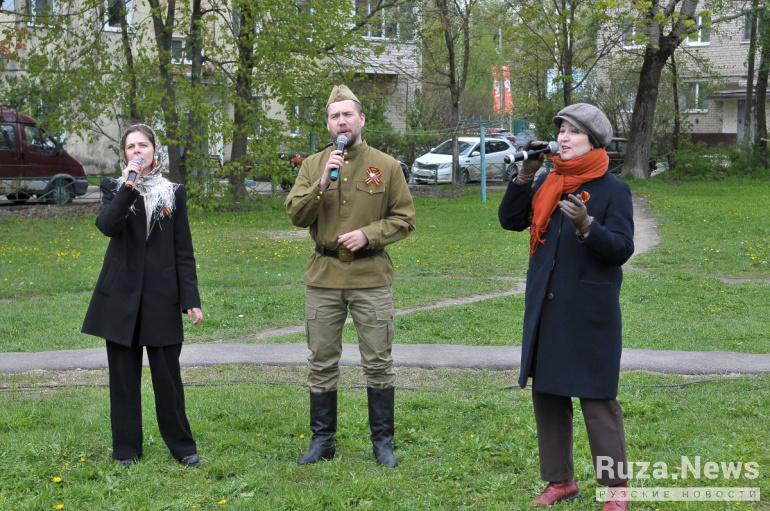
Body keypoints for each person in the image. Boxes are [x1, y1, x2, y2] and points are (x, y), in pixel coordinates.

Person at [498, 104, 634, 511]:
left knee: (597, 400)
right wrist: (525, 177)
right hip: (548, 305)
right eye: (561, 130)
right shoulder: (548, 181)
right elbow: (510, 220)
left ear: (594, 140)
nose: (563, 137)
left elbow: (621, 248)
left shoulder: (613, 190)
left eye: (573, 131)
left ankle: (616, 490)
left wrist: (588, 226)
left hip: (590, 312)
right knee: (549, 394)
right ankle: (561, 480)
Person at [285, 84, 415, 468]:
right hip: (324, 278)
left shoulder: (385, 166)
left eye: (347, 114)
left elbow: (404, 219)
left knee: (378, 361)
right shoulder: (313, 165)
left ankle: (382, 442)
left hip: (370, 276)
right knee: (322, 360)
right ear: (328, 124)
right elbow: (296, 214)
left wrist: (368, 234)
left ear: (362, 119)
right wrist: (322, 183)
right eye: (334, 116)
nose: (341, 121)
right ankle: (322, 441)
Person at [82, 124, 203, 468]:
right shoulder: (114, 188)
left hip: (161, 297)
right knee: (123, 379)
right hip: (120, 298)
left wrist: (191, 299)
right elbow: (107, 226)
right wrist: (128, 187)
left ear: (154, 150)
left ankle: (182, 446)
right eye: (131, 146)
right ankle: (126, 449)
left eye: (143, 145)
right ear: (124, 154)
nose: (137, 151)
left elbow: (183, 249)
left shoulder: (172, 192)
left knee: (168, 378)